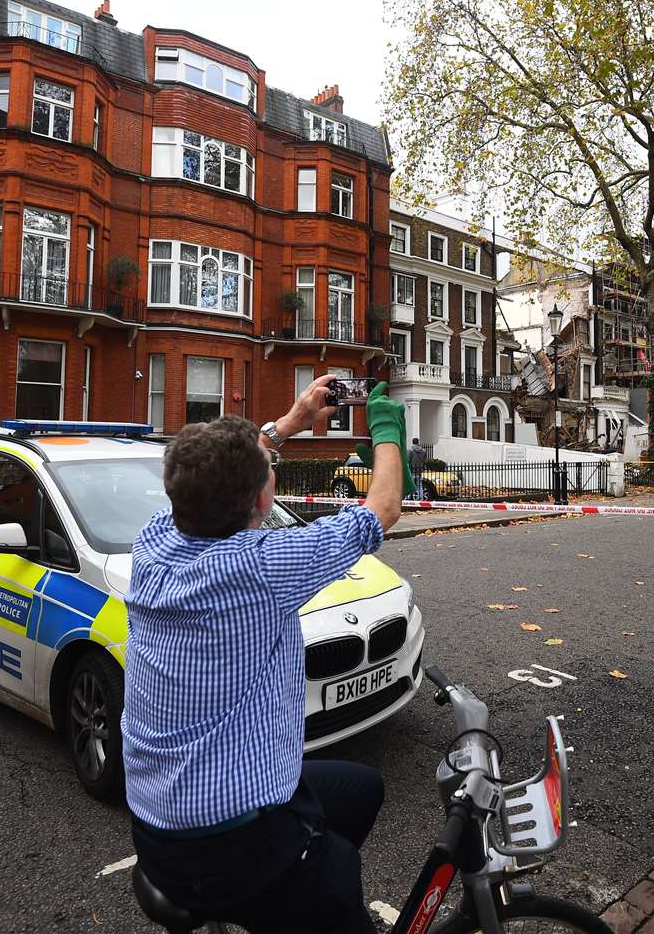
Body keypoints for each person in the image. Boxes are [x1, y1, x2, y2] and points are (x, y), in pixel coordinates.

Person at [122, 374, 414, 934]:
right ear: (261, 498)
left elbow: (220, 471)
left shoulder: (154, 539)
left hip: (158, 823)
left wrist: (295, 418)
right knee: (340, 876)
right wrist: (385, 428)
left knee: (363, 789)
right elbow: (382, 508)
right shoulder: (262, 566)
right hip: (229, 846)